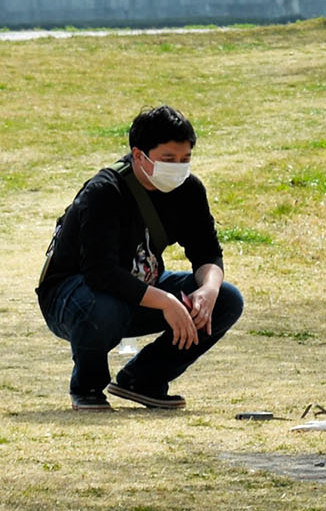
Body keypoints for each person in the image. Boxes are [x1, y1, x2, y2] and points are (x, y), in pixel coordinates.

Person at [37, 105, 244, 411]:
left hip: (135, 288)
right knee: (105, 306)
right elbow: (100, 273)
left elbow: (207, 252)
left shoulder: (189, 191)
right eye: (168, 159)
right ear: (138, 156)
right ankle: (88, 386)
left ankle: (143, 379)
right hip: (73, 297)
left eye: (185, 158)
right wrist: (167, 302)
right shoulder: (104, 192)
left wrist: (208, 290)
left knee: (227, 300)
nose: (178, 167)